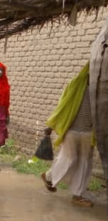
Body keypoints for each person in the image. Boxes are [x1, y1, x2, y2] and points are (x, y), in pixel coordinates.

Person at [41, 63, 95, 207]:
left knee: (85, 163)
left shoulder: (101, 90)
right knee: (69, 159)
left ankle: (78, 195)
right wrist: (51, 125)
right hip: (72, 130)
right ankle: (49, 177)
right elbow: (62, 105)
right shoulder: (75, 84)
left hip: (89, 132)